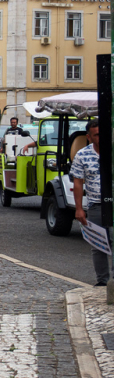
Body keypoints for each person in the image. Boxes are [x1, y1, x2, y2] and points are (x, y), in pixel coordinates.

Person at [70, 119, 106, 286]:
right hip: (95, 204)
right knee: (98, 244)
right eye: (97, 135)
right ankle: (102, 282)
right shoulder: (82, 155)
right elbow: (78, 183)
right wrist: (79, 209)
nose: (101, 137)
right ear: (89, 137)